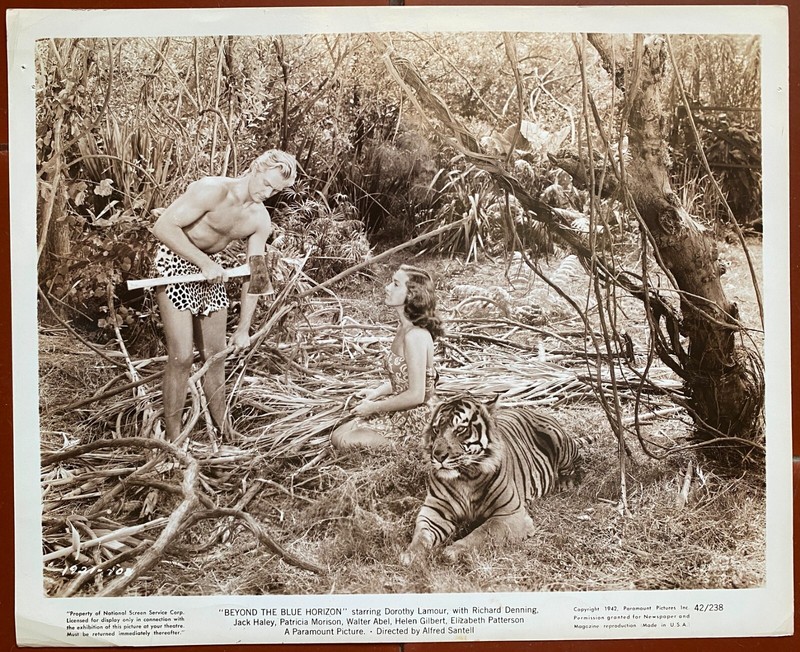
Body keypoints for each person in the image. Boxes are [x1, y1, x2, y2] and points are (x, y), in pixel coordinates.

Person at [150, 149, 297, 442]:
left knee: (216, 357)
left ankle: (224, 429)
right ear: (255, 168)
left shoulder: (259, 219)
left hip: (210, 271)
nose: (268, 193)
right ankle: (174, 438)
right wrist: (203, 262)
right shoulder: (212, 189)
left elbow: (256, 274)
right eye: (266, 184)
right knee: (181, 357)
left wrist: (243, 329)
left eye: (276, 190)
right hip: (177, 262)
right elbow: (163, 226)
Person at [331, 264, 443, 449]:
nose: (387, 288)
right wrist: (376, 393)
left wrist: (374, 407)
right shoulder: (404, 329)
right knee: (339, 433)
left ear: (411, 295)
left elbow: (416, 395)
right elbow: (403, 379)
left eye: (396, 284)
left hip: (418, 419)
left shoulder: (415, 336)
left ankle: (412, 444)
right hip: (401, 410)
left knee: (343, 440)